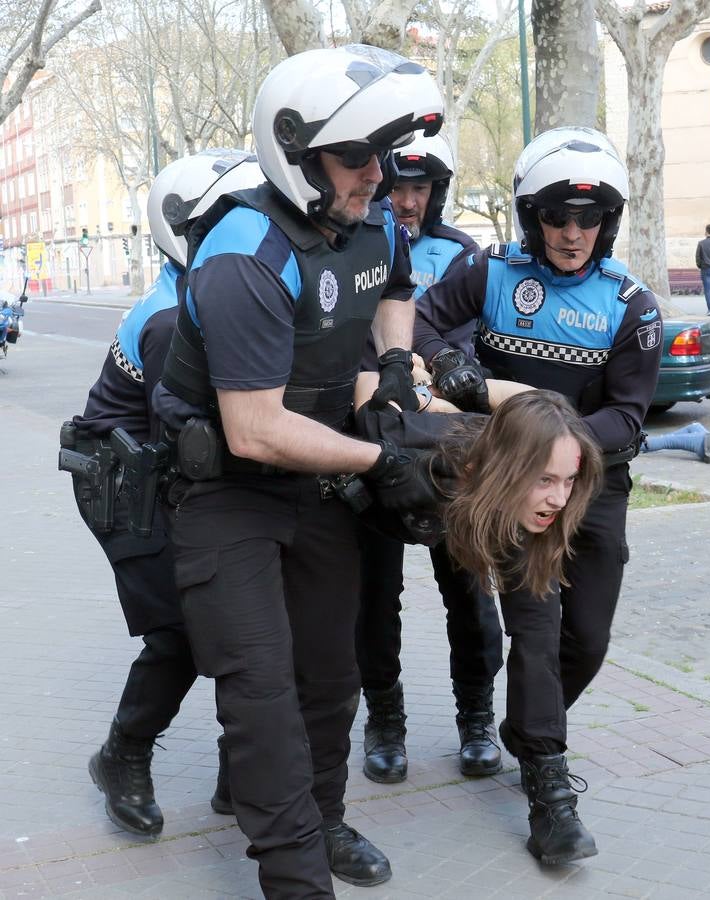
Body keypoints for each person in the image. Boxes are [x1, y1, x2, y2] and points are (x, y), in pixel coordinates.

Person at [152, 45, 446, 898]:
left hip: (316, 479)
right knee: (262, 695)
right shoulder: (244, 255)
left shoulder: (375, 219)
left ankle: (324, 819)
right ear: (296, 152)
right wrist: (385, 458)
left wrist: (395, 365)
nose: (377, 176)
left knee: (330, 676)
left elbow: (395, 287)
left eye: (382, 155)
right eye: (356, 157)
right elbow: (254, 431)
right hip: (230, 491)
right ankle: (294, 876)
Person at [412, 126, 662, 865]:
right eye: (557, 216)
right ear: (532, 216)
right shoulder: (490, 272)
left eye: (589, 218)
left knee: (587, 641)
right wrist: (447, 361)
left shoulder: (633, 305)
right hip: (513, 489)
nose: (573, 233)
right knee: (537, 633)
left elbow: (629, 417)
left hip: (594, 485)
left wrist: (556, 446)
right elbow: (418, 322)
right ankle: (551, 798)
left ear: (608, 222)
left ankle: (526, 729)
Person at [62, 149, 263, 839]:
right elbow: (196, 438)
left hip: (170, 469)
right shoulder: (172, 319)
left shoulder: (214, 293)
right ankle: (122, 755)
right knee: (181, 628)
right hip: (126, 483)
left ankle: (242, 768)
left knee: (244, 610)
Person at [356, 133, 504, 786]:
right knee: (373, 594)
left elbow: (473, 346)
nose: (407, 200)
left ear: (437, 193)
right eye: (397, 187)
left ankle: (477, 717)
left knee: (468, 589)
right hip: (373, 437)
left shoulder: (463, 255)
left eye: (419, 188)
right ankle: (384, 723)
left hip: (451, 445)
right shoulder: (355, 247)